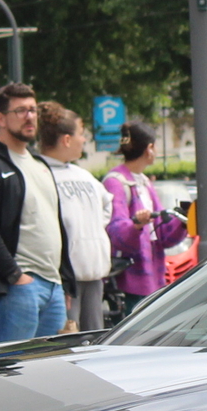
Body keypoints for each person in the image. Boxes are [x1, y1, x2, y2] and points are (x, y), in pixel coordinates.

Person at [0, 82, 68, 342]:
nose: (30, 116)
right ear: (0, 118)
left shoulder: (40, 163)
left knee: (49, 371)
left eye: (32, 110)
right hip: (18, 287)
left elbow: (55, 222)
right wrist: (15, 275)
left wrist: (65, 281)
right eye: (20, 111)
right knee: (12, 371)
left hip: (52, 286)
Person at [42, 105, 114, 331]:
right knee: (66, 336)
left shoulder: (84, 175)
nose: (84, 140)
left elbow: (106, 204)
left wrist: (92, 233)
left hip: (94, 271)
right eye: (80, 134)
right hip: (63, 277)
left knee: (94, 335)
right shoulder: (41, 174)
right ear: (66, 139)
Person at [103, 122, 184, 322]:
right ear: (149, 149)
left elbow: (163, 234)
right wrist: (136, 225)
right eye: (154, 146)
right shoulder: (116, 182)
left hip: (154, 280)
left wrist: (183, 222)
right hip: (129, 282)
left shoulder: (144, 181)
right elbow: (116, 230)